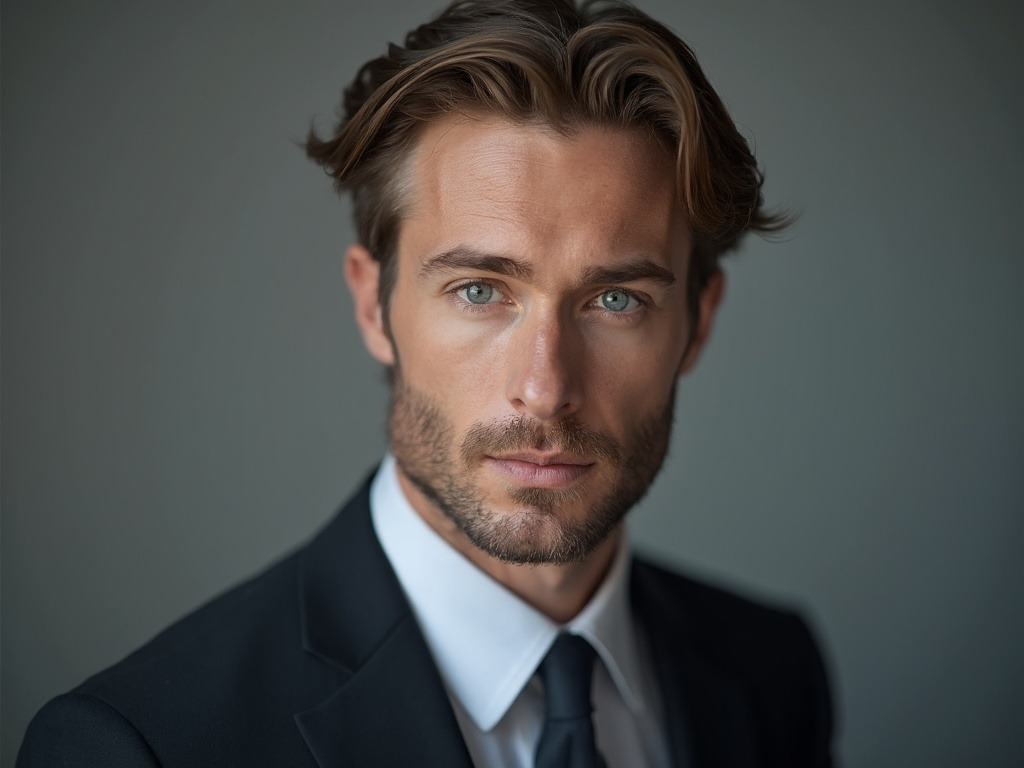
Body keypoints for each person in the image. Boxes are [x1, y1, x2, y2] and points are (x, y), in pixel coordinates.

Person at [18, 1, 834, 766]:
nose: (544, 389)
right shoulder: (142, 746)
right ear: (375, 306)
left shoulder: (773, 671)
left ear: (699, 319)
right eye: (480, 291)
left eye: (616, 300)